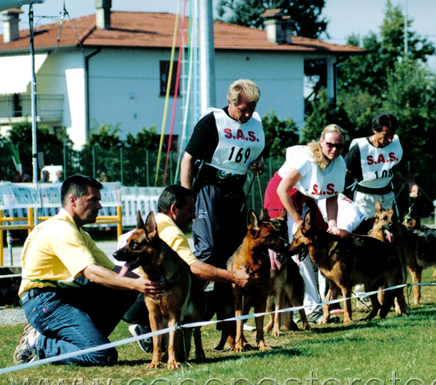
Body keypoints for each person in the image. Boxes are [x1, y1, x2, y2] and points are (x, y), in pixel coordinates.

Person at [13, 175, 163, 366]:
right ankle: (40, 343)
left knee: (124, 288)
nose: (99, 206)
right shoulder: (62, 230)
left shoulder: (79, 233)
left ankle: (86, 340)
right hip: (44, 301)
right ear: (73, 200)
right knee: (102, 355)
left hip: (63, 297)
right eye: (93, 200)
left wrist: (153, 281)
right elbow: (92, 273)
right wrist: (138, 283)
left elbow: (114, 271)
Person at [123, 185, 251, 350]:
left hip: (127, 301)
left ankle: (151, 330)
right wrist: (234, 277)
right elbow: (195, 268)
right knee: (200, 295)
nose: (194, 216)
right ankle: (146, 329)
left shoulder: (154, 225)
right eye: (190, 210)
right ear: (174, 208)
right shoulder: (171, 232)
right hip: (140, 299)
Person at [179, 79, 265, 319]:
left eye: (252, 108)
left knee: (234, 256)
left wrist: (258, 164)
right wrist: (188, 199)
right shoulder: (212, 121)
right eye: (243, 109)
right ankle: (181, 307)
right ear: (230, 102)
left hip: (236, 193)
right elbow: (187, 160)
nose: (248, 114)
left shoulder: (256, 124)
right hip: (209, 190)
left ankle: (228, 325)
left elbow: (256, 157)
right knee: (207, 252)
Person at [263, 124, 347, 320]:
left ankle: (326, 301)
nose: (334, 150)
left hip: (305, 196)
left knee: (322, 242)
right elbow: (282, 189)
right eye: (330, 145)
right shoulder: (308, 158)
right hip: (283, 195)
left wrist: (333, 223)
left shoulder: (339, 163)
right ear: (321, 142)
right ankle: (309, 308)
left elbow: (333, 196)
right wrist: (298, 220)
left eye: (340, 146)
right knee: (302, 249)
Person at [343, 112, 419, 222]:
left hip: (387, 195)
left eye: (392, 135)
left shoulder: (396, 144)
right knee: (365, 230)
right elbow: (343, 172)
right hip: (364, 197)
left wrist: (412, 184)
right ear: (375, 131)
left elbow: (403, 169)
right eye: (386, 135)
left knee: (392, 229)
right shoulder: (360, 147)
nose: (390, 140)